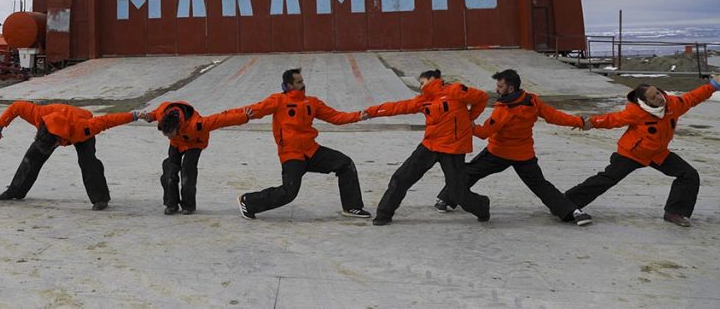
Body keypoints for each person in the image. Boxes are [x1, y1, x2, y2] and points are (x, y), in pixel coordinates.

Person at [565, 72, 720, 227]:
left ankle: (674, 212)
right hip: (632, 153)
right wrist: (589, 123)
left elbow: (693, 97)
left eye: (658, 93)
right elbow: (612, 119)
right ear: (645, 102)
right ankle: (565, 203)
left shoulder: (673, 104)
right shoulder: (636, 112)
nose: (659, 98)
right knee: (606, 179)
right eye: (654, 97)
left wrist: (714, 84)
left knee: (689, 175)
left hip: (658, 153)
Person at [434, 69, 592, 226]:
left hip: (498, 154)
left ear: (510, 89)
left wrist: (469, 125)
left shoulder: (503, 111)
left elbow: (484, 133)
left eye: (500, 86)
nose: (497, 89)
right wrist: (579, 122)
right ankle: (573, 212)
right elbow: (554, 116)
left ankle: (445, 199)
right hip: (524, 155)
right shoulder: (532, 101)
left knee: (468, 173)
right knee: (541, 186)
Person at [237, 68, 370, 220]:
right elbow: (256, 109)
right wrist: (240, 115)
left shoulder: (312, 102)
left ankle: (352, 206)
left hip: (311, 151)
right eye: (299, 82)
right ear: (289, 85)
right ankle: (248, 201)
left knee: (345, 164)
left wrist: (358, 116)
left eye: (302, 81)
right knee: (289, 192)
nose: (303, 84)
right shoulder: (278, 100)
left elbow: (335, 117)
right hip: (291, 154)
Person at [363, 69, 491, 225]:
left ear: (432, 79)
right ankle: (383, 214)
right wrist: (372, 112)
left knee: (457, 192)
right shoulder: (424, 100)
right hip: (430, 145)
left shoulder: (455, 90)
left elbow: (482, 98)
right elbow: (398, 107)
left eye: (422, 83)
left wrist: (470, 118)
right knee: (401, 178)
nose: (421, 87)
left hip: (453, 149)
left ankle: (482, 206)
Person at [0, 101, 144, 208]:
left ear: (58, 141)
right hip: (55, 124)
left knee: (88, 162)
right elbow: (16, 107)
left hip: (80, 125)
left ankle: (100, 199)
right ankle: (15, 191)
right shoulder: (39, 115)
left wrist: (133, 116)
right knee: (32, 157)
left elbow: (108, 120)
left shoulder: (85, 127)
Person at [144, 101, 249, 215]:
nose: (168, 137)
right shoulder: (163, 113)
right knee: (169, 171)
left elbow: (221, 119)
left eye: (170, 134)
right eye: (166, 135)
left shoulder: (197, 124)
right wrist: (150, 116)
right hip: (177, 143)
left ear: (177, 126)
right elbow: (156, 112)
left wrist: (244, 116)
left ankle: (188, 206)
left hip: (195, 144)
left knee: (188, 171)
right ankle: (171, 204)